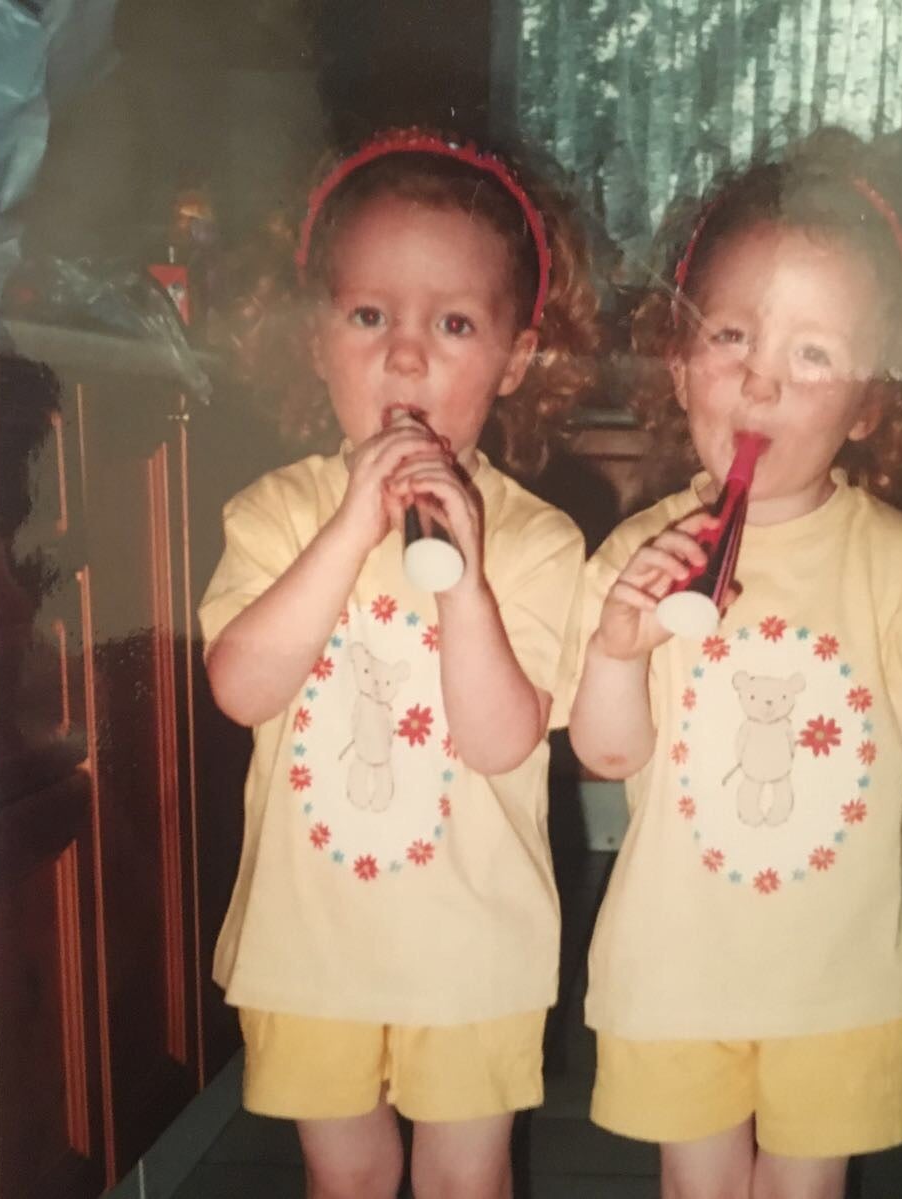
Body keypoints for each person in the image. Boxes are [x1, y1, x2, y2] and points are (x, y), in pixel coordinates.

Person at [565, 130, 902, 1199]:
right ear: (678, 360)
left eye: (812, 354)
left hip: (842, 976)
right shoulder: (634, 559)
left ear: (870, 401)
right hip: (681, 963)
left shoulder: (895, 556)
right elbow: (603, 749)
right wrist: (616, 647)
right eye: (731, 336)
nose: (760, 380)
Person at [197, 128, 595, 1199]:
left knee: (469, 1178)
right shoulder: (277, 514)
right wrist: (345, 527)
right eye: (369, 316)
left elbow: (504, 735)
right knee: (348, 1174)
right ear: (315, 340)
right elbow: (241, 684)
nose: (406, 357)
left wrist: (461, 575)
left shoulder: (539, 542)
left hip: (473, 949)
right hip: (310, 944)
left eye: (453, 323)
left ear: (514, 357)